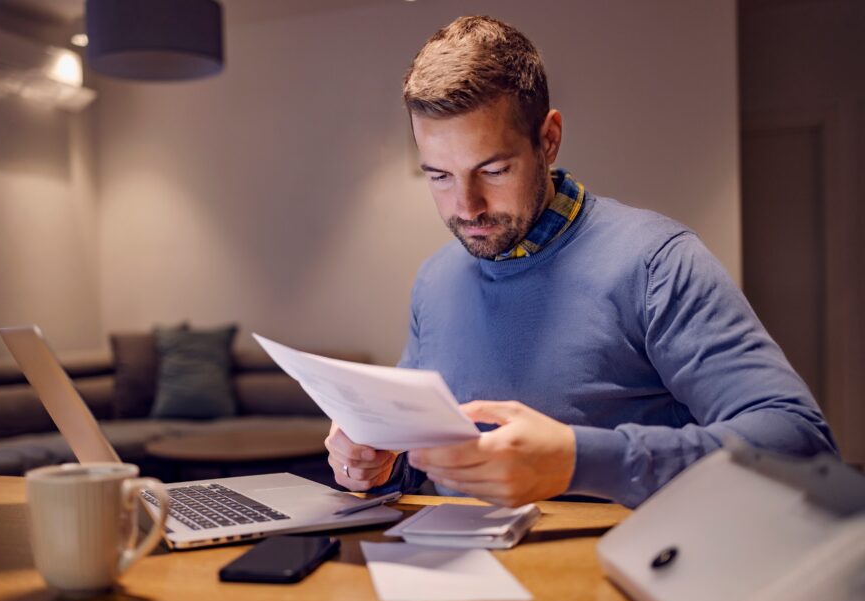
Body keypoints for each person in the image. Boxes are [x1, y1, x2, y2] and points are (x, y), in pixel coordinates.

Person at [324, 15, 837, 509]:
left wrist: (578, 461)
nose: (466, 207)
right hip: (451, 581)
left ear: (547, 140)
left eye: (494, 170)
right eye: (438, 176)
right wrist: (377, 462)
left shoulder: (657, 263)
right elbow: (419, 457)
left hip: (615, 585)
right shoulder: (435, 279)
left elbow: (798, 441)